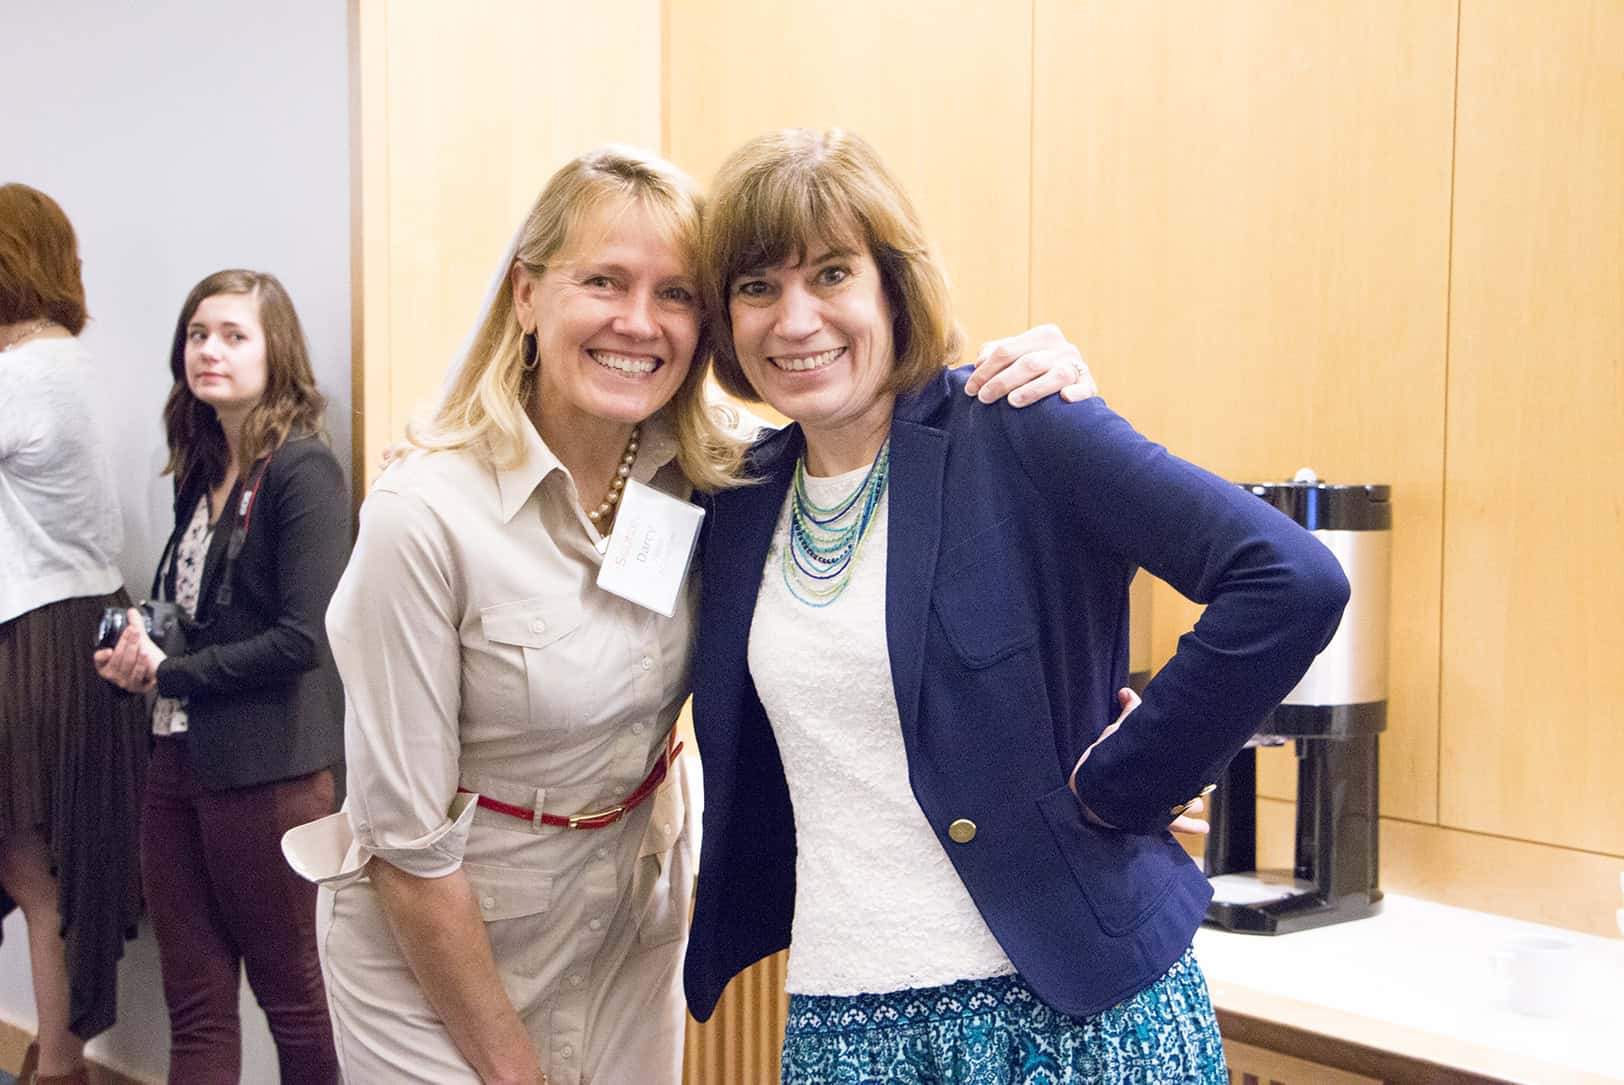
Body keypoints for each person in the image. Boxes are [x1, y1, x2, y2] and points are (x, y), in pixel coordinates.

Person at [279, 143, 1092, 1085]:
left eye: (675, 294)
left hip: (626, 926)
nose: (639, 322)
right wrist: (513, 1071)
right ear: (527, 295)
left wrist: (1037, 382)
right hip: (437, 946)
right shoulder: (425, 519)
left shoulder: (715, 475)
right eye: (603, 281)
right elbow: (407, 852)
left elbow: (874, 433)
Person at [682, 128, 1353, 1084]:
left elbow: (1289, 579)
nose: (796, 320)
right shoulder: (736, 496)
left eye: (831, 273)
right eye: (758, 287)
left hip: (1073, 1011)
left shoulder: (1020, 425)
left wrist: (1131, 777)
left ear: (892, 287)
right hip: (841, 1019)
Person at [94, 269, 346, 1084]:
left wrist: (173, 670)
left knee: (296, 1001)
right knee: (196, 1006)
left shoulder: (304, 471)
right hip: (177, 762)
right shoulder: (201, 473)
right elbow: (200, 615)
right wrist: (141, 651)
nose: (210, 350)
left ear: (277, 353)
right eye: (199, 334)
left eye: (235, 335)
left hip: (268, 773)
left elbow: (303, 639)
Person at [0, 183, 147, 1085]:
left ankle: (58, 1066)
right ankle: (59, 1060)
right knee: (48, 866)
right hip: (78, 624)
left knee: (35, 869)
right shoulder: (75, 364)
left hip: (37, 639)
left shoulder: (22, 376)